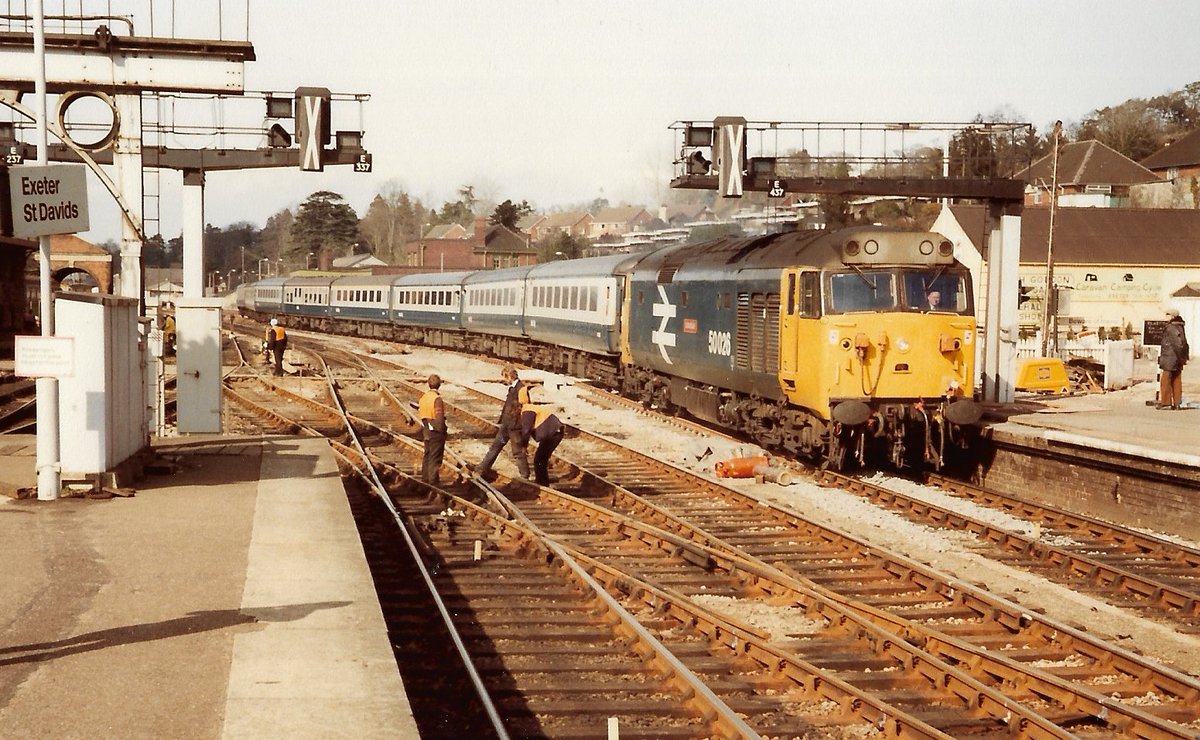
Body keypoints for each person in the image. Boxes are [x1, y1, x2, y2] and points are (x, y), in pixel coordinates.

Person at [475, 364, 531, 480]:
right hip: (507, 424)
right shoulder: (513, 388)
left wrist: (520, 424)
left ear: (510, 376)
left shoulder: (521, 389)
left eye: (505, 378)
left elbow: (525, 408)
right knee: (496, 446)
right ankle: (482, 468)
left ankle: (525, 475)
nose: (505, 380)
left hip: (515, 426)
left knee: (517, 451)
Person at [520, 400, 564, 485]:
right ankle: (542, 482)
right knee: (541, 459)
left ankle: (542, 483)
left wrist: (524, 445)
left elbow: (526, 429)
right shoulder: (529, 408)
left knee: (539, 459)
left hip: (553, 433)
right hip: (554, 432)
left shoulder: (527, 411)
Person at [417, 374, 448, 484]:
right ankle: (433, 482)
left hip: (426, 429)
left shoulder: (423, 398)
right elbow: (439, 419)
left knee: (427, 455)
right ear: (439, 385)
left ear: (428, 384)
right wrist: (443, 431)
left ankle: (425, 480)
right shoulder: (437, 399)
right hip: (435, 431)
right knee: (435, 457)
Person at [1158, 309, 1189, 409]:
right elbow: (1184, 343)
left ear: (1172, 316)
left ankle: (1166, 403)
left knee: (1166, 380)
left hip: (1170, 357)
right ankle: (1177, 403)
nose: (1165, 316)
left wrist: (1180, 357)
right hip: (1177, 357)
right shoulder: (1180, 326)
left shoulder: (1171, 327)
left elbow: (1178, 344)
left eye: (1167, 314)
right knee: (1176, 380)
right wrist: (1184, 357)